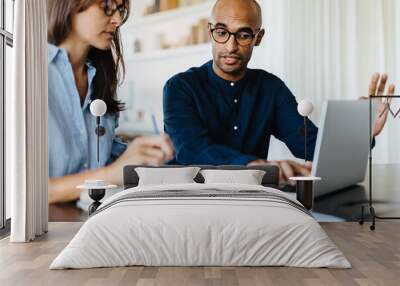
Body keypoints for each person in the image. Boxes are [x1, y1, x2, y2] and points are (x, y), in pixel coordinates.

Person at [163, 0, 396, 184]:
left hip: (251, 200)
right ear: (210, 32)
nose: (231, 46)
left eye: (243, 35)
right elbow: (193, 149)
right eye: (222, 32)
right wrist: (255, 165)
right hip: (190, 197)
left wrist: (359, 133)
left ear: (258, 38)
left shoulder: (271, 89)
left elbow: (308, 144)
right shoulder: (179, 87)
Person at [47, 0, 175, 204]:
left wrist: (139, 153)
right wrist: (109, 174)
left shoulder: (102, 77)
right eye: (107, 6)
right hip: (45, 227)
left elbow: (103, 155)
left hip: (96, 219)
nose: (116, 21)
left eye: (120, 11)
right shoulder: (31, 71)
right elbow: (24, 190)